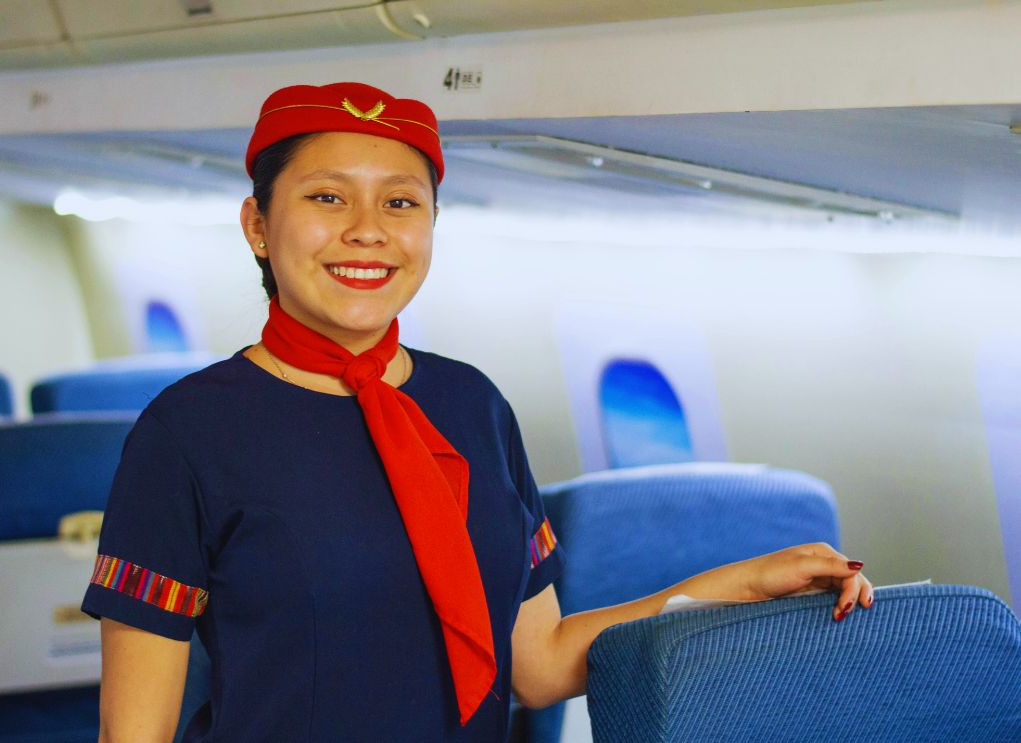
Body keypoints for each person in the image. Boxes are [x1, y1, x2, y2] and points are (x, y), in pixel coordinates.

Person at [82, 81, 874, 742]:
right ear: (258, 225)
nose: (367, 231)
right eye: (326, 197)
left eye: (400, 202)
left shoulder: (471, 404)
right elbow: (134, 732)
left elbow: (539, 665)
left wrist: (741, 583)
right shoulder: (187, 431)